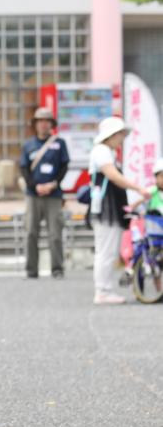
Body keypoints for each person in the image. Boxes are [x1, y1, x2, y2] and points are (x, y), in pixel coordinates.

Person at [87, 117, 153, 305]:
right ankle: (102, 291)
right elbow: (113, 176)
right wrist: (138, 188)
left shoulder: (107, 152)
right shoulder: (102, 151)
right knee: (106, 251)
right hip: (106, 209)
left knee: (108, 250)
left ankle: (104, 289)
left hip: (110, 208)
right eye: (120, 135)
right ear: (111, 135)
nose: (122, 139)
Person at [19, 108, 70, 279]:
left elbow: (64, 167)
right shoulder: (28, 145)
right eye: (40, 121)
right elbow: (24, 169)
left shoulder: (59, 143)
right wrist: (35, 187)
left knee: (55, 232)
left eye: (46, 121)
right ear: (35, 124)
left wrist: (53, 184)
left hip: (54, 194)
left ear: (51, 124)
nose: (43, 124)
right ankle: (31, 269)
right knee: (30, 232)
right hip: (33, 194)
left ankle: (57, 268)